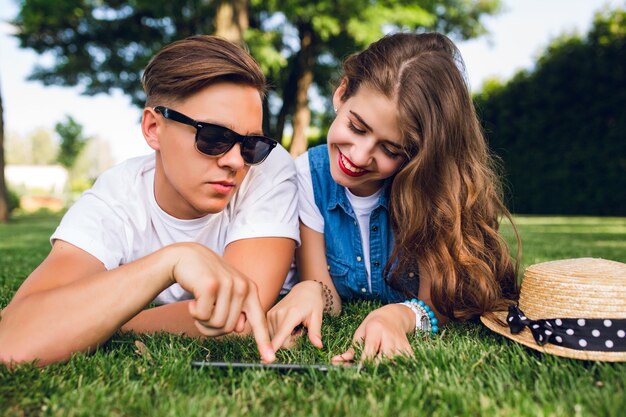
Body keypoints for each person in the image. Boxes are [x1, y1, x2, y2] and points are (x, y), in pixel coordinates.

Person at [0, 35, 299, 366]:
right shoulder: (117, 194)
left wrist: (92, 321)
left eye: (251, 144)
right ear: (154, 128)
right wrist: (171, 261)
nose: (236, 161)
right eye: (213, 137)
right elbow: (13, 339)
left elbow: (240, 316)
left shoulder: (267, 170)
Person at [267, 32, 520, 362]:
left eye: (389, 149)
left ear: (418, 155)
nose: (358, 157)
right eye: (357, 127)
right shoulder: (306, 176)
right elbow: (324, 288)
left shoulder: (431, 187)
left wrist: (398, 317)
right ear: (342, 94)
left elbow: (439, 301)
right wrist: (310, 291)